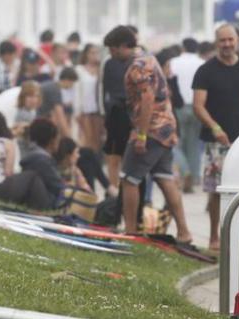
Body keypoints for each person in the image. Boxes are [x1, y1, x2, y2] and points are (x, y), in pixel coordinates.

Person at [105, 26, 193, 243]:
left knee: (128, 179)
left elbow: (147, 99)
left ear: (124, 46)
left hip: (150, 130)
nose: (111, 54)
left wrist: (141, 135)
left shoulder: (137, 67)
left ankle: (131, 231)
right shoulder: (150, 59)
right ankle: (184, 232)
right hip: (166, 127)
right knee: (165, 178)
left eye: (113, 49)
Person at [192, 23, 239, 250]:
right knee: (214, 191)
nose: (227, 44)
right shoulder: (206, 70)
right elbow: (198, 106)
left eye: (231, 40)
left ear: (237, 40)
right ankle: (214, 236)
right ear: (216, 42)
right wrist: (215, 128)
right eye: (223, 40)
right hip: (216, 141)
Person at [100, 27, 134, 191]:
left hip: (130, 115)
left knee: (129, 158)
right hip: (115, 114)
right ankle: (114, 190)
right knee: (114, 156)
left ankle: (125, 190)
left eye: (113, 49)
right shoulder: (109, 63)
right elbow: (104, 90)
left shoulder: (139, 62)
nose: (111, 53)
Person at [170, 38, 205, 194]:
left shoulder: (173, 62)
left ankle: (185, 172)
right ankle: (194, 176)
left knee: (176, 144)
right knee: (194, 144)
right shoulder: (202, 63)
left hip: (178, 107)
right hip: (197, 106)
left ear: (183, 48)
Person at [75, 44, 104, 152]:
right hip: (85, 109)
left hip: (99, 109)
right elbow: (77, 91)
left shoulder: (102, 69)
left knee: (98, 139)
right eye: (92, 53)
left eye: (97, 52)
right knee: (87, 139)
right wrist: (77, 110)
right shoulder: (79, 70)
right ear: (86, 54)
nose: (95, 55)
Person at [39, 68, 78, 139]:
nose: (72, 86)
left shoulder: (52, 86)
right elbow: (60, 117)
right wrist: (70, 139)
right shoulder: (55, 90)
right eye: (72, 83)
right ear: (66, 80)